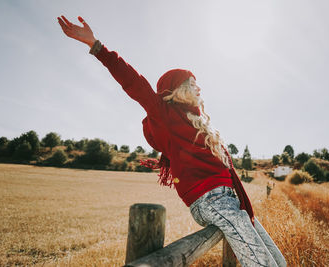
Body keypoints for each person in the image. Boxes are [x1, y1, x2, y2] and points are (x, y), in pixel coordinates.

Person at [57, 15, 286, 267]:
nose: (199, 88)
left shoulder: (199, 122)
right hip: (210, 201)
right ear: (177, 90)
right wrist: (97, 47)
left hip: (231, 201)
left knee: (278, 261)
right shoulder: (166, 115)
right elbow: (134, 82)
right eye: (192, 83)